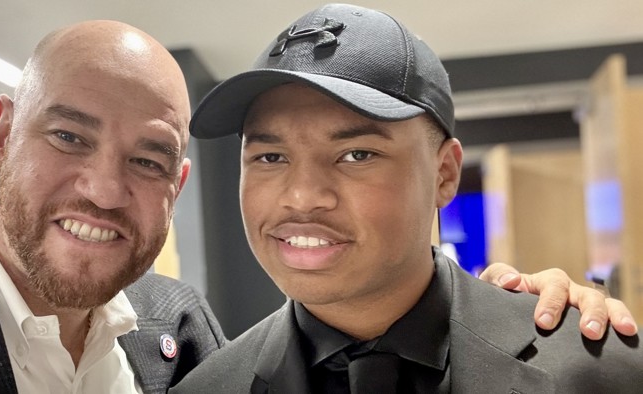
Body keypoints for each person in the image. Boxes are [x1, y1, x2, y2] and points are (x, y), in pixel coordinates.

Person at [0, 16, 632, 394]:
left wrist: (534, 314)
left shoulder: (178, 336)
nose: (105, 190)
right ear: (3, 134)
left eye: (357, 152)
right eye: (69, 137)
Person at [171, 4, 642, 393]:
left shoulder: (598, 370)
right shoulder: (206, 388)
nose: (302, 196)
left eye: (356, 154)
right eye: (271, 157)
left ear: (444, 173)